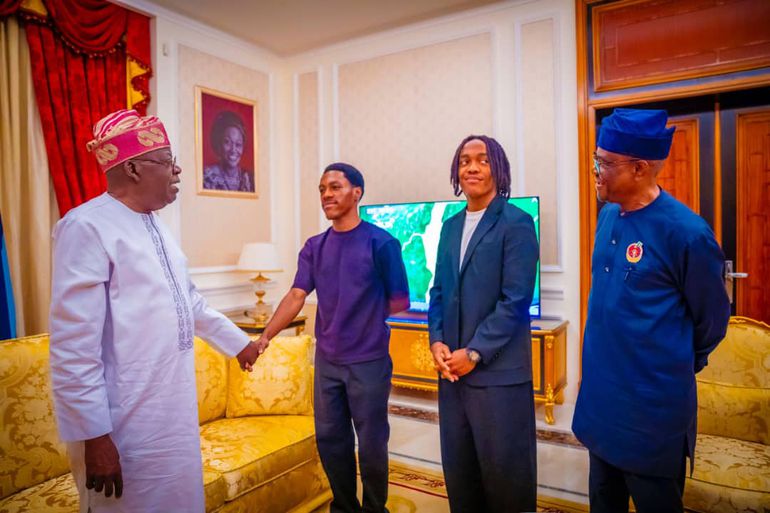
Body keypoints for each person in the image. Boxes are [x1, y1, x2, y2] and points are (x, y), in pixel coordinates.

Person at [49, 109, 261, 513]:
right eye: (167, 161)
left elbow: (188, 301)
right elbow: (73, 347)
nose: (177, 170)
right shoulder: (85, 227)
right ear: (132, 168)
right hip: (124, 423)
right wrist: (94, 436)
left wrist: (237, 343)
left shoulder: (156, 225)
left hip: (172, 411)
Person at [572, 108, 731, 513]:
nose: (596, 172)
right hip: (602, 404)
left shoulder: (687, 234)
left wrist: (672, 363)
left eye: (605, 163)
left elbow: (712, 321)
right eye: (596, 160)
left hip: (651, 416)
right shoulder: (608, 216)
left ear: (640, 168)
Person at [254, 162, 409, 513]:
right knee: (330, 439)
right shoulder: (314, 246)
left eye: (335, 187)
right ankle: (344, 507)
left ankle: (375, 509)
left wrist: (365, 318)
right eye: (322, 189)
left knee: (371, 443)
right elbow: (297, 294)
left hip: (368, 362)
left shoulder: (382, 243)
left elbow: (400, 300)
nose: (326, 194)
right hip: (327, 362)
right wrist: (266, 337)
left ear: (357, 193)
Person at [428, 135, 539, 513]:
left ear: (498, 168)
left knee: (506, 480)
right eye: (464, 161)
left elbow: (515, 300)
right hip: (452, 376)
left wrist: (474, 352)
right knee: (461, 476)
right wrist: (437, 341)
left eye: (482, 160)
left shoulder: (517, 223)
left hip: (497, 375)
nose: (472, 167)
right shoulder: (450, 226)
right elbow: (438, 290)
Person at [202, 110, 254, 192]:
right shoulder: (207, 178)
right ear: (219, 144)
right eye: (227, 142)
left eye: (238, 144)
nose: (233, 150)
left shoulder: (249, 179)